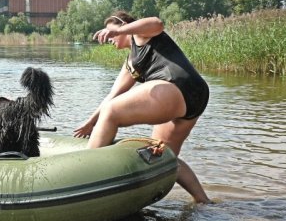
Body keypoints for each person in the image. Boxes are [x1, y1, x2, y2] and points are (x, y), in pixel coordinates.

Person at [73, 11, 212, 204]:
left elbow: (157, 23)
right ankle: (203, 201)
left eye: (110, 30)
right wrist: (90, 123)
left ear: (123, 26)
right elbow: (112, 96)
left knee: (112, 112)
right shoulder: (131, 63)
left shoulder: (141, 34)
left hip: (176, 87)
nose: (108, 37)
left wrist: (117, 29)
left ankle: (82, 171)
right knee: (162, 155)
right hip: (195, 96)